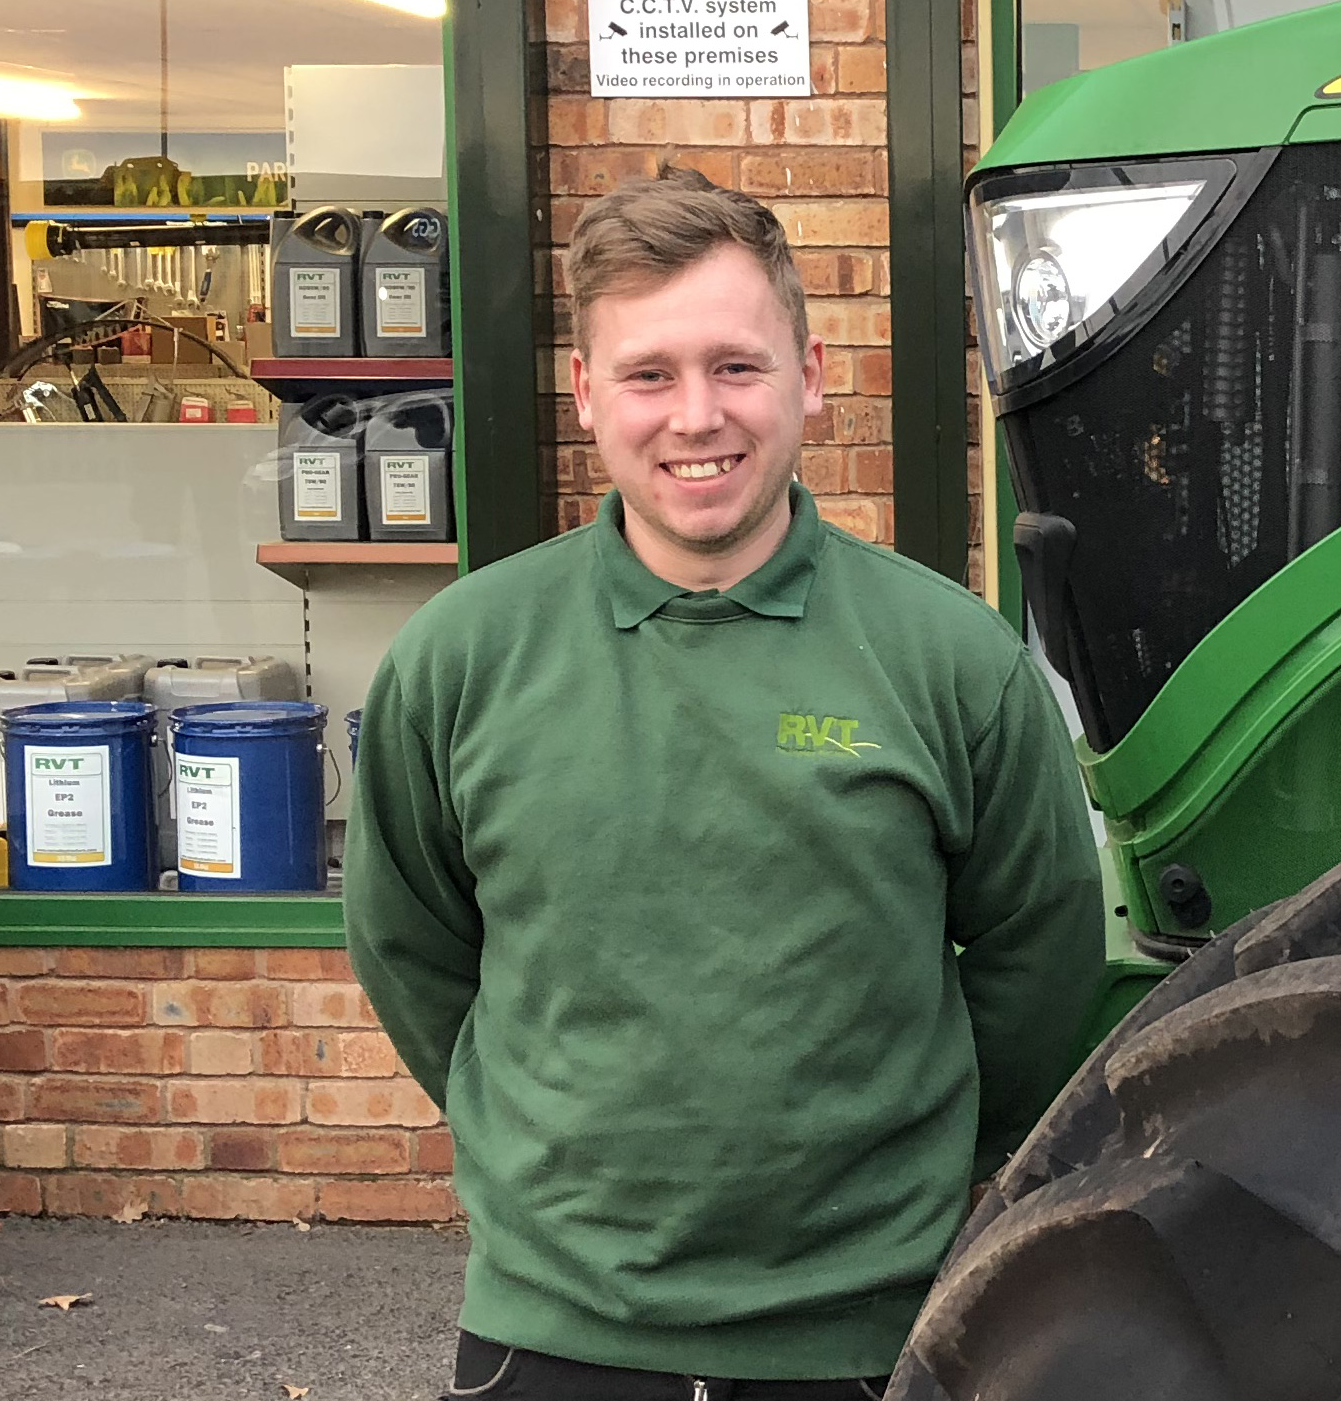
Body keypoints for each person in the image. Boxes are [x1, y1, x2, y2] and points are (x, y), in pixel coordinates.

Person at [342, 165, 1104, 1401]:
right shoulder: (463, 659)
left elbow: (1041, 954)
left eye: (736, 366)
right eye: (648, 374)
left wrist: (920, 1165)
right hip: (553, 1334)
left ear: (809, 376)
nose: (696, 416)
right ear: (586, 394)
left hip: (866, 1340)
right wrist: (534, 1139)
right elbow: (409, 946)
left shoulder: (949, 660)